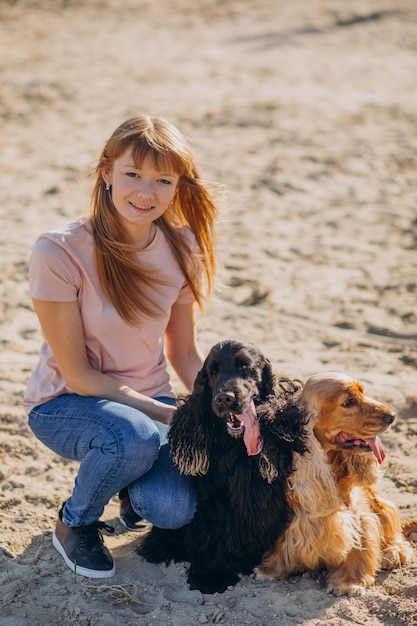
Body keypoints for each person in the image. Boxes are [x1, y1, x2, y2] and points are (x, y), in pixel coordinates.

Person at [23, 114, 219, 578]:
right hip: (67, 403)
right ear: (107, 173)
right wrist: (164, 414)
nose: (145, 192)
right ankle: (76, 523)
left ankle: (130, 481)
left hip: (153, 404)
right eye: (132, 174)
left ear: (177, 187)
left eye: (162, 180)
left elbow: (184, 354)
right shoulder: (58, 251)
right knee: (133, 437)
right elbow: (78, 375)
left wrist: (218, 408)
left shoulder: (184, 246)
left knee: (172, 510)